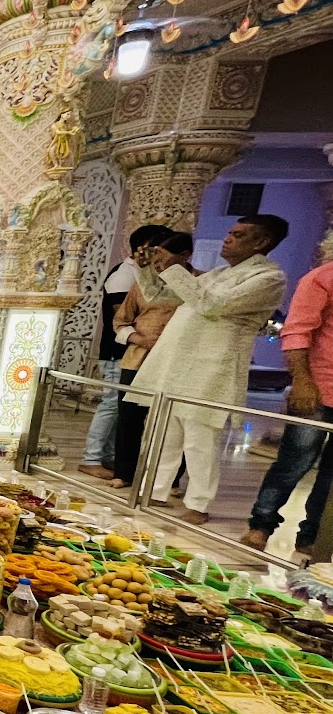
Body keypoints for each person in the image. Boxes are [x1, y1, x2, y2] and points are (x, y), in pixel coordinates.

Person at [128, 214, 291, 525]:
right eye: (230, 232)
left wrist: (174, 269)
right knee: (165, 432)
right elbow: (160, 296)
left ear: (261, 242)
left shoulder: (269, 278)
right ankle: (156, 490)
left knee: (200, 438)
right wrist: (148, 268)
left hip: (212, 366)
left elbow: (213, 305)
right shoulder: (218, 274)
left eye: (238, 235)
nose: (227, 239)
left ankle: (199, 503)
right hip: (179, 363)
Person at [241, 248, 333, 553]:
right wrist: (302, 382)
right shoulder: (322, 278)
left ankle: (312, 536)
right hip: (318, 388)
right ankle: (261, 525)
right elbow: (297, 332)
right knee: (294, 462)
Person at [79, 224, 172, 480]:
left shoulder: (145, 274)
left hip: (135, 352)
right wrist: (143, 336)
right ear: (143, 248)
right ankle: (91, 458)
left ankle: (109, 456)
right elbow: (123, 318)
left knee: (121, 407)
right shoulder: (123, 275)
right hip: (118, 351)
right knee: (111, 403)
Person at [108, 231, 187, 490]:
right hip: (138, 359)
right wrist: (140, 339)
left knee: (172, 422)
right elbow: (120, 322)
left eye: (161, 254)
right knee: (129, 418)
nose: (156, 260)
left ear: (184, 255)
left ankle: (168, 481)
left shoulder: (198, 283)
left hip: (177, 363)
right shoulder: (143, 282)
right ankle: (124, 473)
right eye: (153, 254)